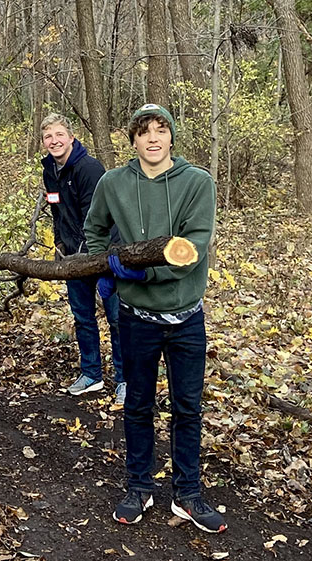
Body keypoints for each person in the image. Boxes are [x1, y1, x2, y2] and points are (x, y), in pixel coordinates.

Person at [83, 104, 225, 534]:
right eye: (143, 132)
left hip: (186, 317)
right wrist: (106, 268)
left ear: (171, 137)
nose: (153, 139)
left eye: (161, 130)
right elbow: (94, 230)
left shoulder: (197, 182)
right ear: (133, 140)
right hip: (137, 318)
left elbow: (193, 245)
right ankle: (139, 486)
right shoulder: (113, 183)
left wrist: (146, 271)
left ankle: (188, 493)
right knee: (138, 404)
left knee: (187, 407)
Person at [40, 114, 125, 403]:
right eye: (49, 137)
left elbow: (98, 217)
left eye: (59, 135)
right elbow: (56, 209)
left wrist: (94, 259)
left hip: (104, 253)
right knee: (82, 317)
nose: (55, 141)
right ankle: (91, 375)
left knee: (116, 318)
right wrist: (60, 244)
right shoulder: (50, 170)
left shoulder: (90, 168)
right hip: (72, 257)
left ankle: (124, 380)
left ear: (72, 138)